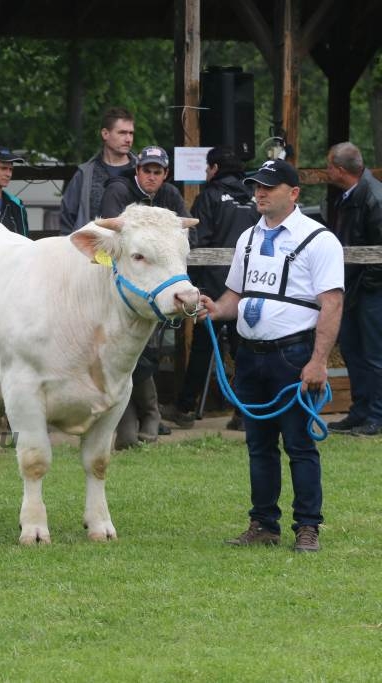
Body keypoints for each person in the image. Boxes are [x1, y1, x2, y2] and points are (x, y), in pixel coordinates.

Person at [200, 159, 344, 553]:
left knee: (299, 444)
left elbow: (331, 303)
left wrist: (317, 361)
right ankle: (263, 523)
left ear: (293, 193)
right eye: (256, 186)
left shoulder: (319, 240)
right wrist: (216, 310)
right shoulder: (247, 238)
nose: (259, 192)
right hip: (250, 355)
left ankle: (307, 527)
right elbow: (235, 295)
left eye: (269, 186)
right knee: (259, 444)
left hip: (293, 355)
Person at [99, 145, 189, 449]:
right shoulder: (118, 190)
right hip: (120, 286)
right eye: (146, 170)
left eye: (158, 171)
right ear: (137, 170)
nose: (152, 177)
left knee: (145, 352)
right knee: (121, 350)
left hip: (158, 285)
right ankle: (128, 424)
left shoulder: (171, 196)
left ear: (165, 174)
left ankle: (149, 416)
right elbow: (110, 239)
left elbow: (186, 235)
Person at [165, 146, 256, 431]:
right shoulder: (255, 198)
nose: (206, 173)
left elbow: (198, 240)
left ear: (215, 169)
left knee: (204, 348)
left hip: (215, 288)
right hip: (250, 285)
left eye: (207, 168)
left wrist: (191, 278)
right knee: (246, 349)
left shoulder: (210, 196)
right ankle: (245, 412)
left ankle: (185, 408)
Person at [324, 142, 382, 436]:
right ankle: (360, 411)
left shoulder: (373, 199)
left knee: (374, 355)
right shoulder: (348, 197)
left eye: (329, 167)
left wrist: (361, 288)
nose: (326, 172)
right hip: (353, 289)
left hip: (372, 293)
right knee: (352, 351)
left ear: (341, 170)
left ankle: (377, 415)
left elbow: (379, 257)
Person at [59, 107, 137, 235]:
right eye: (122, 133)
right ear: (105, 134)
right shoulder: (85, 174)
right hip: (91, 250)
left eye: (131, 133)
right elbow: (67, 218)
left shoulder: (143, 172)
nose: (128, 139)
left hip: (135, 252)